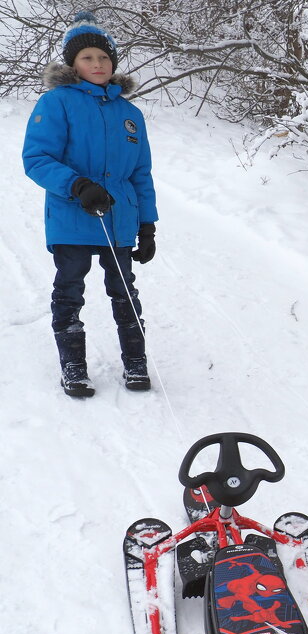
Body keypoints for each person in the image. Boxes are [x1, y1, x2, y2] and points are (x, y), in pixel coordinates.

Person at [23, 11, 158, 398]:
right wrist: (77, 184)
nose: (97, 65)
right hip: (72, 215)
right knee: (69, 289)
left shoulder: (130, 115)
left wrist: (147, 225)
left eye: (103, 57)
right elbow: (37, 159)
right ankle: (74, 368)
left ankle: (135, 363)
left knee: (124, 291)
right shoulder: (58, 102)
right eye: (87, 58)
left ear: (113, 62)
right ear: (73, 64)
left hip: (118, 220)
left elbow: (141, 174)